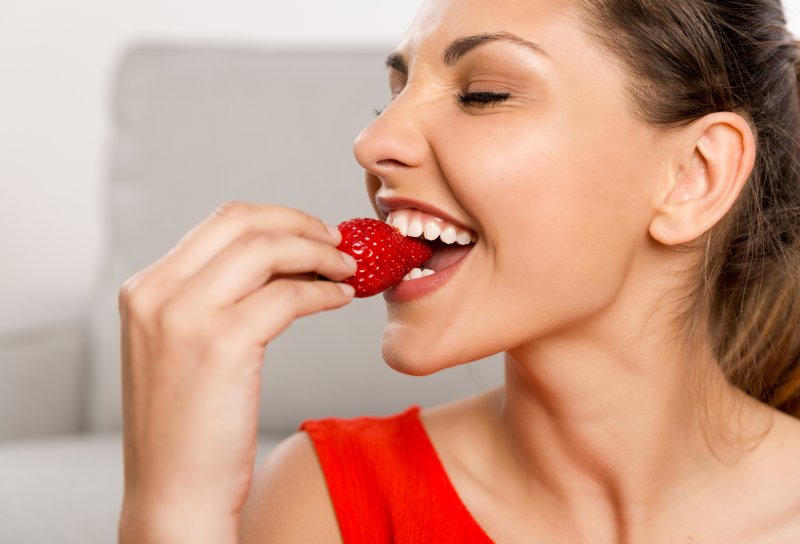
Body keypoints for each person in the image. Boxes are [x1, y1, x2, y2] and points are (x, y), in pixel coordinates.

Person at [117, 0, 800, 542]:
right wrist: (173, 511)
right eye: (392, 96)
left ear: (693, 176)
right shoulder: (326, 499)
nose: (373, 141)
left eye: (484, 94)